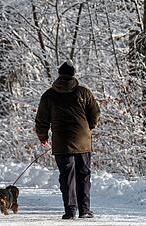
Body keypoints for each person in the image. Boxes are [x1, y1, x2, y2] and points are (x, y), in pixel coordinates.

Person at [35, 62, 101, 220]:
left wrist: (43, 136)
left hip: (62, 142)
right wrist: (88, 128)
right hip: (82, 141)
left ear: (59, 74)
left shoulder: (49, 95)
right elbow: (95, 114)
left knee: (67, 176)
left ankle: (70, 210)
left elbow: (42, 119)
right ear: (73, 74)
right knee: (83, 175)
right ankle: (84, 210)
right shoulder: (83, 92)